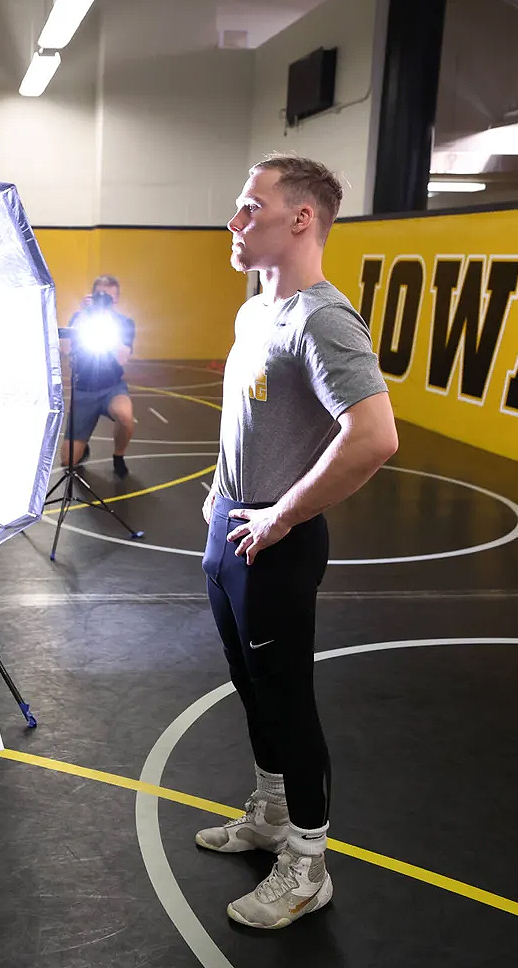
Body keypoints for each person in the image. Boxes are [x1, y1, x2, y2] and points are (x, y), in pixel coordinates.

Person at [195, 154, 398, 929]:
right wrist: (221, 495)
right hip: (230, 529)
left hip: (274, 542)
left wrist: (280, 516)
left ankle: (307, 864)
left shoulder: (322, 318)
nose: (233, 220)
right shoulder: (255, 311)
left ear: (300, 218)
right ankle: (271, 815)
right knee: (252, 692)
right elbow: (242, 421)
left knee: (287, 700)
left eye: (249, 207)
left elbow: (373, 436)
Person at [59, 274, 136, 477]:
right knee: (67, 462)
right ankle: (82, 447)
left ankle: (118, 456)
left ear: (116, 299)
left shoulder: (124, 323)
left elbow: (122, 358)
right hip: (83, 391)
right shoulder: (80, 318)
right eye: (100, 295)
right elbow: (65, 349)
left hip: (112, 387)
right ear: (91, 295)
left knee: (125, 415)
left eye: (108, 297)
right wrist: (85, 315)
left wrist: (107, 324)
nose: (103, 300)